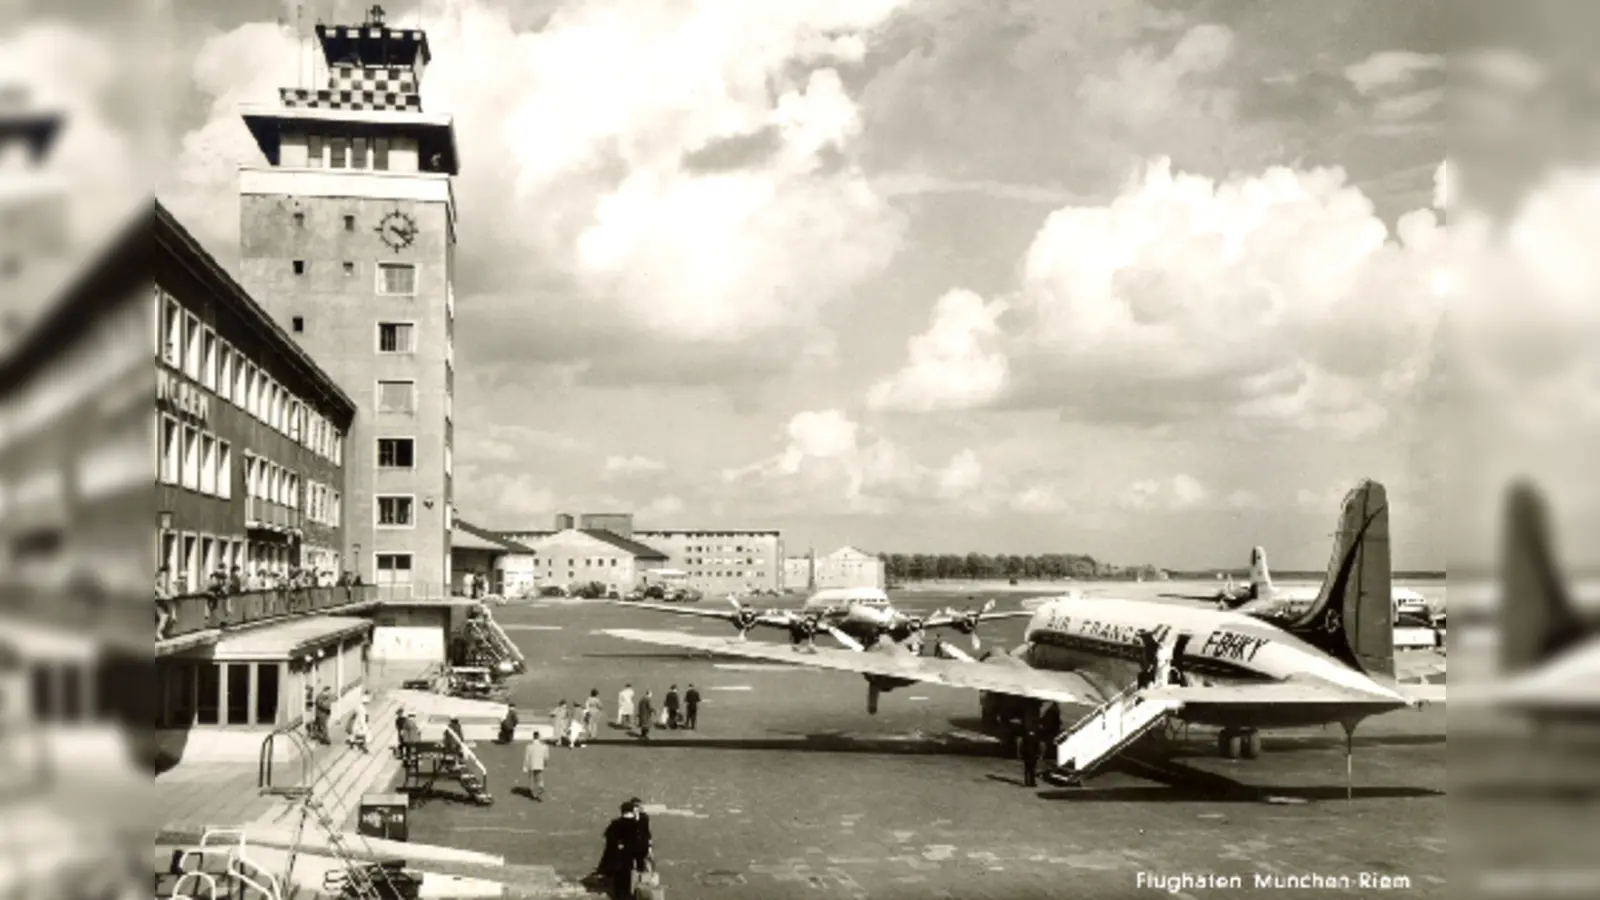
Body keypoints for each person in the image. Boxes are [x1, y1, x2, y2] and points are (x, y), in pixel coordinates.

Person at [597, 802, 648, 900]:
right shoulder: (635, 826)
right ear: (632, 811)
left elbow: (608, 839)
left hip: (615, 858)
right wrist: (640, 862)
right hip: (628, 858)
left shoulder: (615, 823)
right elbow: (639, 844)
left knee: (618, 882)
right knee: (626, 881)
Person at [521, 733, 549, 801]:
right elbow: (546, 757)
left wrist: (525, 766)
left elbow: (527, 757)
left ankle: (533, 793)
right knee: (539, 778)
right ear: (539, 737)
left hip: (532, 765)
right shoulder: (544, 746)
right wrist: (545, 764)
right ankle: (540, 787)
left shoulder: (529, 746)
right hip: (540, 765)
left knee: (532, 779)